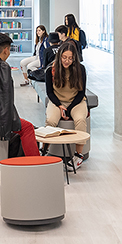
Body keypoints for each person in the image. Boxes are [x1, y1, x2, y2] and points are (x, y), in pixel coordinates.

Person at [45, 41, 88, 170]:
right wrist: (59, 105)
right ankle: (44, 151)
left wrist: (68, 110)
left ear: (74, 58)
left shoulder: (80, 69)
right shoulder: (51, 70)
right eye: (64, 57)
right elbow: (49, 92)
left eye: (70, 58)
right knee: (51, 121)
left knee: (80, 120)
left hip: (76, 101)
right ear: (59, 56)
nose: (67, 61)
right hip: (57, 101)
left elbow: (81, 93)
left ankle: (78, 156)